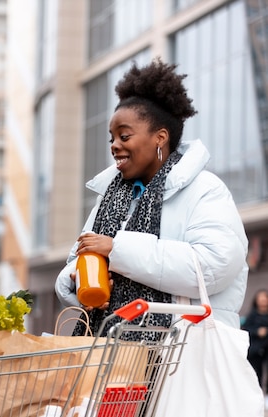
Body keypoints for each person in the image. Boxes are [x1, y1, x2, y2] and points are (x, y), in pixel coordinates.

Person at [55, 58, 248, 339]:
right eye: (112, 138)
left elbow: (216, 266)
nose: (115, 146)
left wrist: (116, 249)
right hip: (108, 357)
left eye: (124, 136)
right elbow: (80, 256)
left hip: (179, 358)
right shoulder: (110, 195)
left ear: (160, 138)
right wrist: (76, 277)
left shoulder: (204, 189)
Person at [242, 289, 268, 403]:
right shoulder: (252, 315)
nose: (263, 301)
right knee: (256, 373)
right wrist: (257, 331)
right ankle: (256, 397)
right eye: (260, 298)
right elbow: (246, 329)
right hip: (255, 350)